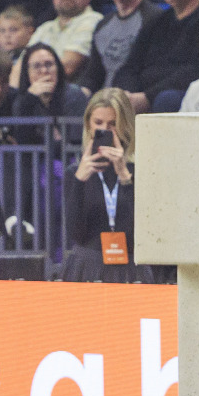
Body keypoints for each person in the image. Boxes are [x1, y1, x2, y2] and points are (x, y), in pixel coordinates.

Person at [62, 88, 142, 283]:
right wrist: (80, 182)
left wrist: (125, 177)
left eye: (112, 124)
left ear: (124, 126)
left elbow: (145, 230)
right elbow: (75, 233)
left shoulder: (140, 171)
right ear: (88, 125)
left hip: (130, 267)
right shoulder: (75, 173)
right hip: (87, 267)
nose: (105, 130)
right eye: (98, 123)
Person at [86, 0, 155, 90]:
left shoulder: (155, 19)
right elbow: (93, 76)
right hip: (103, 98)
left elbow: (152, 73)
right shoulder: (102, 25)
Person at [24, 0, 102, 81]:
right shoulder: (44, 28)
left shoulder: (94, 21)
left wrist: (27, 82)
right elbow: (21, 66)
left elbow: (66, 67)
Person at [11, 42, 90, 121]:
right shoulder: (20, 100)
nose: (44, 70)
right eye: (37, 66)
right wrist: (29, 99)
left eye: (49, 64)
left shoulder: (74, 95)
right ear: (27, 72)